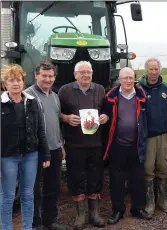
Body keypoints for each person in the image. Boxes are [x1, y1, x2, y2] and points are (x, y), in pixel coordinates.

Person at [58, 61, 109, 229]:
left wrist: (104, 117)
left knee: (95, 178)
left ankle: (94, 214)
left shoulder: (100, 89)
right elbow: (56, 113)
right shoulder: (64, 91)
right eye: (82, 72)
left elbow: (107, 111)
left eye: (89, 72)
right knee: (76, 178)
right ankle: (80, 216)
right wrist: (65, 118)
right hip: (74, 144)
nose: (86, 75)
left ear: (92, 74)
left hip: (95, 143)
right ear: (75, 74)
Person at [1, 64, 50, 230]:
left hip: (30, 155)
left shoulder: (32, 102)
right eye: (11, 80)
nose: (15, 83)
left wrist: (46, 155)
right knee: (7, 196)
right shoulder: (1, 104)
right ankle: (6, 227)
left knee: (28, 195)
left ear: (23, 82)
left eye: (19, 80)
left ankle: (27, 227)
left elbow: (40, 130)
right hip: (7, 157)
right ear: (5, 84)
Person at [103, 67, 152, 225]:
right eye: (125, 78)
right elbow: (105, 118)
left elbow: (147, 119)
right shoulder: (110, 97)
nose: (128, 81)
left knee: (138, 179)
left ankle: (137, 208)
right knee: (117, 180)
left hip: (136, 144)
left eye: (131, 78)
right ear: (119, 79)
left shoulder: (142, 96)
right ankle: (118, 210)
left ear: (134, 79)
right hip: (117, 145)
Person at [25, 62, 66, 230]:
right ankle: (35, 223)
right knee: (34, 189)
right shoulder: (27, 96)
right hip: (36, 151)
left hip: (55, 149)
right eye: (44, 75)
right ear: (36, 75)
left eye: (51, 76)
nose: (48, 79)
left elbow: (56, 122)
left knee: (53, 187)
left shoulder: (55, 96)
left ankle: (50, 219)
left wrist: (61, 145)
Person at [137, 57, 167, 215]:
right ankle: (150, 201)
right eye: (151, 69)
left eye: (156, 69)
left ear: (160, 70)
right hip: (147, 136)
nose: (153, 72)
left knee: (164, 167)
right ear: (146, 70)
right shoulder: (139, 88)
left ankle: (162, 199)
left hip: (165, 135)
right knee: (148, 168)